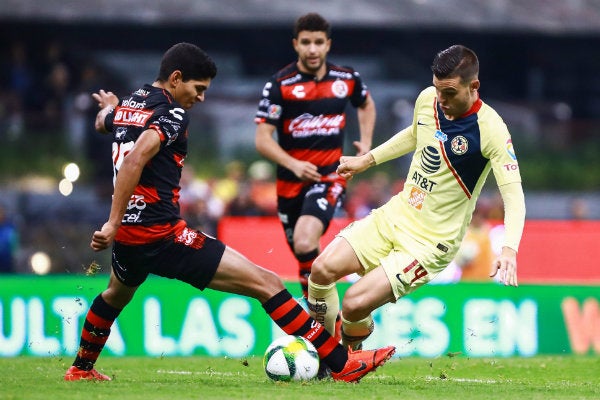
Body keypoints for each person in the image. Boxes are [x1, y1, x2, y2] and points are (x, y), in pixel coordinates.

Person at [63, 42, 394, 383]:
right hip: (160, 234)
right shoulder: (172, 114)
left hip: (131, 239)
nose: (201, 98)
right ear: (176, 79)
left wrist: (110, 109)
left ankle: (80, 369)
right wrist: (111, 222)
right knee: (268, 283)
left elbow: (105, 123)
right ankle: (342, 363)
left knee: (115, 294)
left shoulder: (130, 105)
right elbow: (135, 160)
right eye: (198, 88)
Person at [307, 45, 526, 350]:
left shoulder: (491, 130)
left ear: (473, 86)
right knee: (320, 272)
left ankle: (344, 355)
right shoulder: (428, 99)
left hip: (429, 244)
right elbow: (414, 134)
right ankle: (325, 356)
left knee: (355, 304)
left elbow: (513, 195)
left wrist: (509, 249)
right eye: (438, 90)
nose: (441, 100)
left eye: (449, 93)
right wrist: (366, 160)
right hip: (396, 214)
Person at [254, 13, 376, 310]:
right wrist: (293, 164)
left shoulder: (346, 79)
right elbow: (262, 139)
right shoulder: (280, 85)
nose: (312, 49)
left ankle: (322, 318)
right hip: (289, 183)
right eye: (306, 42)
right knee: (302, 253)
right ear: (296, 44)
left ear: (328, 45)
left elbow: (366, 104)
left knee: (307, 240)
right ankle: (319, 315)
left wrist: (366, 142)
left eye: (318, 42)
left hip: (329, 176)